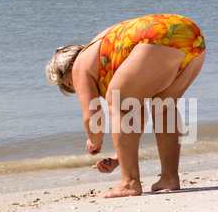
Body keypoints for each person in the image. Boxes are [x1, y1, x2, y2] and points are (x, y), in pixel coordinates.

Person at [46, 14, 206, 198]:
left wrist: (94, 141)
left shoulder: (80, 65)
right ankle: (169, 178)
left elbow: (92, 117)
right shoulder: (110, 55)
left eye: (70, 84)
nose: (78, 89)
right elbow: (134, 116)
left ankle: (129, 182)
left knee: (117, 101)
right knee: (163, 107)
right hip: (191, 34)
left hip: (159, 34)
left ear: (70, 67)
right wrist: (117, 157)